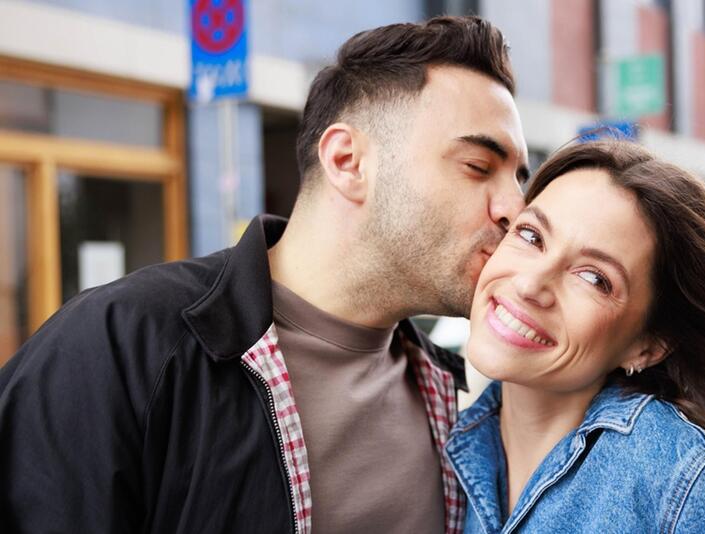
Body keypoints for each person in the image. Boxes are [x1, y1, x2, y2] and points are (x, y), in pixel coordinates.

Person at [0, 16, 529, 534]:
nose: (515, 208)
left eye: (519, 179)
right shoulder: (118, 346)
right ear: (347, 161)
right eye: (479, 167)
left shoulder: (458, 395)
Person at [445, 139, 705, 533]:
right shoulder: (446, 442)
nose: (530, 284)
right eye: (532, 236)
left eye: (595, 279)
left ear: (648, 345)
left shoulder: (689, 493)